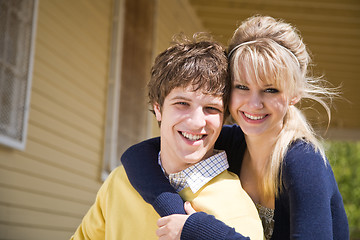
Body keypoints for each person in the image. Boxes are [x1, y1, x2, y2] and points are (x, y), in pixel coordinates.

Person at [121, 15, 349, 240]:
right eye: (242, 86)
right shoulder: (233, 143)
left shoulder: (304, 161)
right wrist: (176, 212)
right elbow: (138, 156)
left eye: (271, 90)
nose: (254, 104)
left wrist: (197, 230)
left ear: (294, 94)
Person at [70, 33, 263, 240]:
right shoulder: (119, 181)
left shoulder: (237, 208)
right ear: (158, 108)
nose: (197, 122)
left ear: (224, 118)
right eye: (182, 103)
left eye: (211, 108)